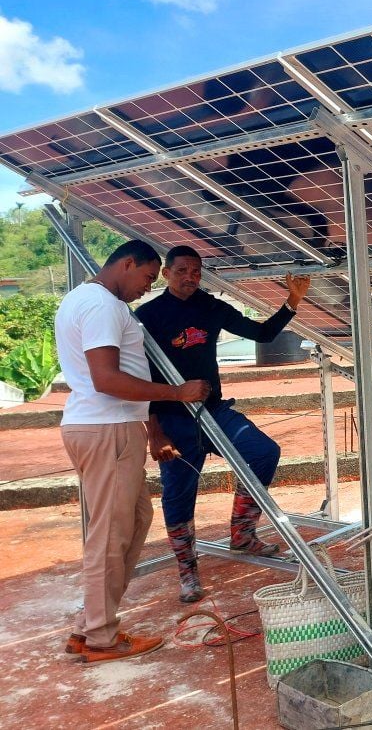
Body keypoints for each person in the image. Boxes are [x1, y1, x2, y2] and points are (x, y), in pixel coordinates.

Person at [55, 240, 210, 663]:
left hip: (101, 426)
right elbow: (106, 378)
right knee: (110, 535)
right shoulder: (104, 306)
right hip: (107, 428)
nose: (146, 287)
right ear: (127, 264)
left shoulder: (80, 299)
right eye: (145, 277)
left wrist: (150, 426)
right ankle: (101, 638)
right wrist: (177, 393)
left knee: (135, 520)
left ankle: (91, 626)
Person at [135, 245, 310, 603]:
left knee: (263, 452)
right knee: (179, 495)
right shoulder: (149, 315)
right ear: (166, 274)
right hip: (172, 419)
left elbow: (262, 335)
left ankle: (242, 534)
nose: (189, 277)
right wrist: (154, 431)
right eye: (182, 271)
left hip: (214, 412)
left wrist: (291, 302)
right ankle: (188, 572)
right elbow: (141, 374)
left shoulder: (210, 307)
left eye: (196, 271)